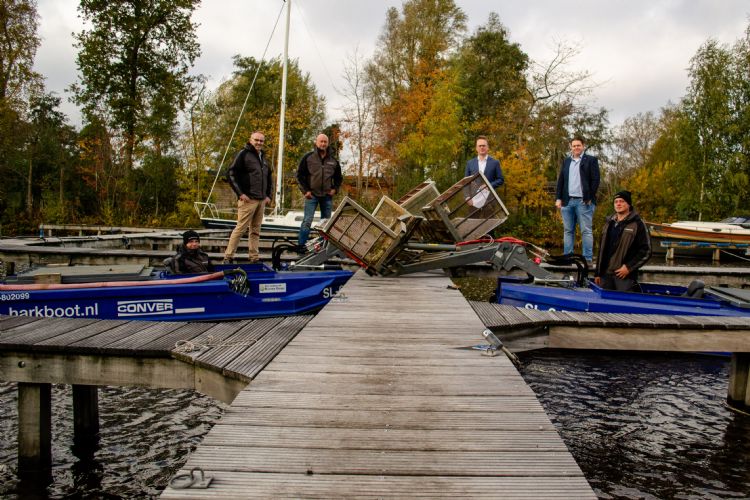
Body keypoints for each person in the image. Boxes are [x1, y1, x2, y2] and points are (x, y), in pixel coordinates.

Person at [224, 131, 272, 264]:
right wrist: (240, 193)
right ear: (250, 140)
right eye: (256, 140)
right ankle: (228, 257)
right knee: (240, 229)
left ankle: (254, 257)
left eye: (261, 141)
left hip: (261, 200)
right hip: (248, 199)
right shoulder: (243, 154)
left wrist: (269, 195)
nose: (259, 143)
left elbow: (269, 178)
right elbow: (231, 173)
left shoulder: (263, 158)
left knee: (256, 231)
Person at [594, 190, 651, 292]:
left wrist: (629, 267)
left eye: (622, 201)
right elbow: (601, 250)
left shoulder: (638, 224)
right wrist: (598, 273)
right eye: (616, 202)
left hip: (624, 277)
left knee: (624, 301)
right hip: (605, 275)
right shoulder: (608, 223)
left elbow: (646, 251)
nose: (618, 204)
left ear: (629, 204)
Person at [555, 136, 600, 263]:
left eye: (578, 145)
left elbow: (596, 180)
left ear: (583, 146)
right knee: (568, 231)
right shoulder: (566, 161)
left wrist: (589, 196)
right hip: (567, 201)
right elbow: (561, 181)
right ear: (571, 147)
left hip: (583, 201)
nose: (576, 148)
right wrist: (558, 198)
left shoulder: (591, 160)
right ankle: (568, 258)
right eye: (574, 146)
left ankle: (587, 259)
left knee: (586, 231)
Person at [296, 133, 343, 247]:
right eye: (321, 141)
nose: (323, 144)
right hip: (311, 195)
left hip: (327, 196)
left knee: (326, 224)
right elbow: (299, 176)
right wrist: (305, 190)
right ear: (316, 142)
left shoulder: (333, 161)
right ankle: (301, 246)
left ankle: (322, 248)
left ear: (328, 143)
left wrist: (335, 189)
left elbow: (339, 178)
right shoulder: (308, 158)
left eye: (325, 142)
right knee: (307, 221)